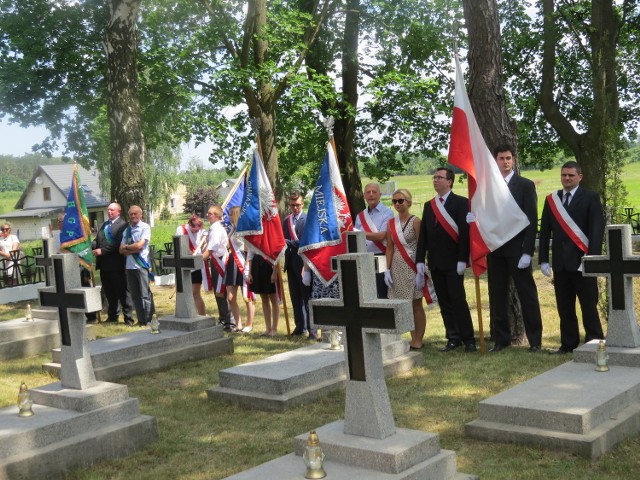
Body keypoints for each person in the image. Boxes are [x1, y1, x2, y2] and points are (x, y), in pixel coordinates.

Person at [470, 144, 543, 353]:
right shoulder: (488, 187)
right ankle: (502, 339)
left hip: (518, 250)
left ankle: (535, 340)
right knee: (498, 295)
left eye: (509, 158)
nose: (505, 162)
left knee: (527, 295)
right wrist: (473, 219)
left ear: (514, 160)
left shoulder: (525, 185)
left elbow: (531, 220)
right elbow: (485, 214)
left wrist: (528, 252)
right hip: (496, 248)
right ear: (496, 161)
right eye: (501, 158)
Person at [539, 161, 605, 354]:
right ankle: (568, 344)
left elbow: (596, 229)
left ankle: (594, 342)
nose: (567, 178)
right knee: (565, 308)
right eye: (564, 175)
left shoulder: (590, 197)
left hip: (583, 262)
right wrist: (544, 258)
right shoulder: (552, 199)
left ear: (580, 177)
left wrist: (591, 258)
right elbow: (544, 232)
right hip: (560, 265)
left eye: (571, 175)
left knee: (589, 307)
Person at [415, 168, 476, 352]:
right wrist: (420, 260)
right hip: (435, 261)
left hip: (453, 262)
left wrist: (462, 259)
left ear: (449, 182)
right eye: (434, 177)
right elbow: (424, 236)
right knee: (444, 303)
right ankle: (453, 337)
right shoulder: (429, 205)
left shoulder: (461, 203)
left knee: (458, 300)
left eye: (439, 178)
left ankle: (468, 339)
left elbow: (465, 235)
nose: (435, 180)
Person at [384, 189, 426, 350]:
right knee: (404, 306)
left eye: (400, 201)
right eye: (394, 201)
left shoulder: (415, 221)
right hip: (397, 268)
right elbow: (389, 248)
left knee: (416, 304)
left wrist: (420, 269)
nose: (397, 204)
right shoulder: (391, 223)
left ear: (408, 202)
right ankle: (411, 337)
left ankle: (418, 339)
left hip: (412, 266)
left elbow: (421, 245)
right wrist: (387, 270)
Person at [92, 203, 135, 325]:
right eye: (108, 209)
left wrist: (103, 250)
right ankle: (112, 316)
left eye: (112, 210)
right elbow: (97, 241)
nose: (109, 211)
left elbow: (118, 244)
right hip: (104, 265)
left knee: (122, 292)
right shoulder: (103, 225)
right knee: (109, 292)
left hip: (117, 264)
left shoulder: (123, 226)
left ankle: (128, 318)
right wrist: (90, 245)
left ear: (118, 212)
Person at [354, 182, 394, 298]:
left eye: (374, 192)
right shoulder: (360, 216)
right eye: (368, 192)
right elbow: (357, 239)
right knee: (368, 295)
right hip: (365, 258)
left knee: (382, 294)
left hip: (382, 256)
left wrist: (359, 233)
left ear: (380, 195)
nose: (371, 195)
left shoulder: (387, 213)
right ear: (364, 196)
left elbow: (381, 236)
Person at [119, 205, 155, 326]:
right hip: (129, 267)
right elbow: (120, 250)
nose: (133, 216)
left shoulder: (145, 227)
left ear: (140, 215)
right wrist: (132, 248)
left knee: (145, 295)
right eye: (131, 214)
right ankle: (141, 320)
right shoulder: (126, 230)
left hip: (141, 265)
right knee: (135, 295)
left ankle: (149, 320)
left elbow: (140, 246)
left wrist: (128, 248)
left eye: (135, 214)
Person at [283, 191, 312, 337]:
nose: (295, 208)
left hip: (304, 262)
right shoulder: (286, 221)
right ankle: (300, 326)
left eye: (298, 205)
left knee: (306, 296)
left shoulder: (308, 219)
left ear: (303, 204)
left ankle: (312, 328)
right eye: (293, 205)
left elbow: (305, 242)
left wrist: (287, 242)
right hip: (290, 262)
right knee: (295, 297)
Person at [224, 206, 255, 333]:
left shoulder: (244, 230)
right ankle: (238, 324)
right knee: (231, 297)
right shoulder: (232, 229)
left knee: (247, 295)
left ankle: (249, 323)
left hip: (242, 261)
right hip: (232, 262)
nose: (229, 217)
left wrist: (248, 267)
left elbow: (248, 249)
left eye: (231, 214)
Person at [203, 206, 234, 331]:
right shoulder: (212, 228)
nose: (207, 215)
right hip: (216, 261)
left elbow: (211, 248)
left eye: (210, 213)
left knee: (222, 292)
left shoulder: (216, 229)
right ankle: (223, 318)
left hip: (220, 261)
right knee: (218, 292)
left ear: (216, 216)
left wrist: (199, 261)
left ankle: (228, 321)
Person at [175, 214, 208, 316]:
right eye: (194, 228)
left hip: (196, 265)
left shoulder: (203, 232)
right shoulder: (181, 230)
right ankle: (190, 313)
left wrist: (204, 245)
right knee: (186, 292)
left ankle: (202, 315)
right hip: (184, 264)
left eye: (198, 229)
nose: (196, 231)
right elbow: (179, 246)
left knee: (195, 293)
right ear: (190, 224)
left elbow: (205, 249)